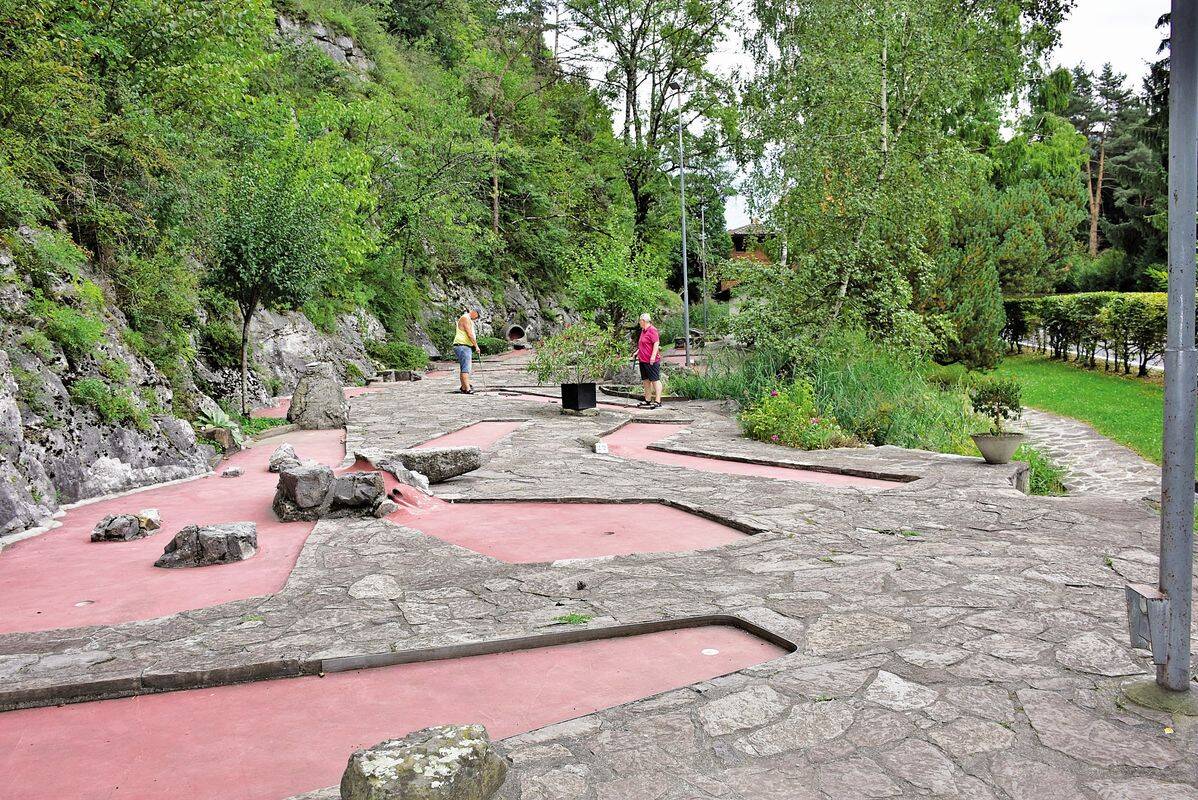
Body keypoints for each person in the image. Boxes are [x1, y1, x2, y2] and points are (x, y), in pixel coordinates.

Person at [635, 312, 662, 408]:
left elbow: (656, 343)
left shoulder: (652, 330)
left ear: (644, 321)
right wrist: (637, 352)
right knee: (646, 380)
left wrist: (653, 356)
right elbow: (643, 343)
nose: (639, 322)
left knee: (655, 380)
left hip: (651, 360)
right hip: (643, 360)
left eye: (640, 320)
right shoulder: (643, 330)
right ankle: (648, 400)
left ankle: (658, 401)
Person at [453, 308, 482, 394]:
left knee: (464, 367)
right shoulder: (465, 318)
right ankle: (468, 389)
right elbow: (469, 334)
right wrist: (476, 346)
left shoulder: (468, 319)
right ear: (475, 313)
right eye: (478, 316)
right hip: (463, 346)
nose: (477, 318)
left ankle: (464, 386)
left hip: (463, 346)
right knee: (466, 368)